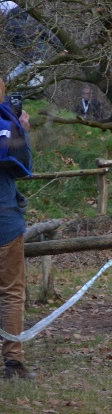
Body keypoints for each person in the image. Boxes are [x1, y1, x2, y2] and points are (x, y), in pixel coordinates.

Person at [0, 78, 34, 379]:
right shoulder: (7, 126)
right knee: (11, 292)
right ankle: (12, 361)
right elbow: (23, 167)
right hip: (5, 222)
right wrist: (22, 129)